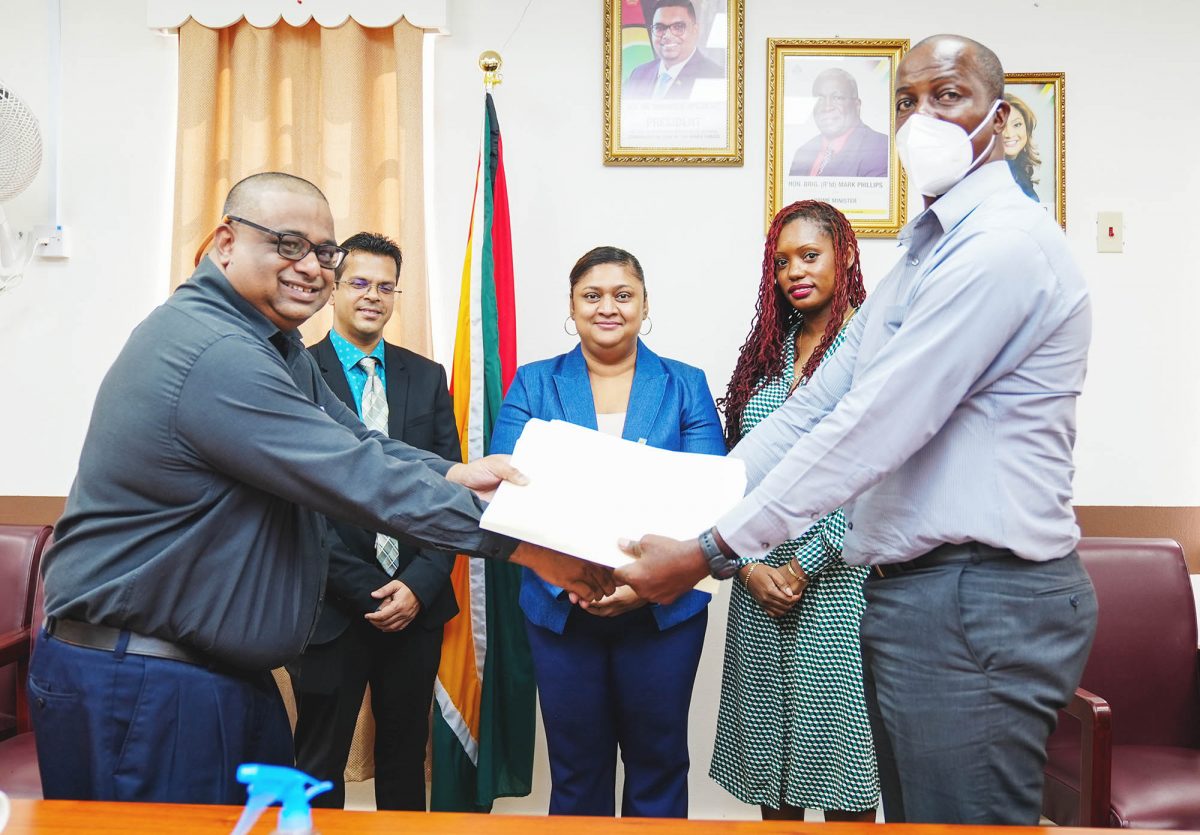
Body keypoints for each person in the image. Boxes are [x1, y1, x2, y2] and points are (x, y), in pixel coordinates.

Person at [614, 34, 1098, 826]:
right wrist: (682, 518)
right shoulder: (922, 256)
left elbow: (874, 426)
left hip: (982, 595)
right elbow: (812, 407)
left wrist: (706, 551)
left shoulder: (1001, 247)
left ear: (1002, 120)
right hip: (918, 596)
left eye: (949, 96)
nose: (923, 119)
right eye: (907, 101)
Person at [29, 172, 614, 805]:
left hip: (211, 677)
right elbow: (352, 475)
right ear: (225, 243)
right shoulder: (219, 351)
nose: (311, 266)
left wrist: (452, 472)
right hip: (145, 679)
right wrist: (529, 547)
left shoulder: (274, 346)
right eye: (287, 243)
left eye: (324, 252)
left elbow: (361, 442)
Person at [489, 246, 725, 817]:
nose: (608, 308)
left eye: (623, 295)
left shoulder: (684, 384)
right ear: (571, 306)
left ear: (645, 305)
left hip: (664, 610)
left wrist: (639, 585)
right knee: (576, 770)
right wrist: (577, 580)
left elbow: (706, 495)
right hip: (560, 606)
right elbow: (505, 486)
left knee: (660, 761)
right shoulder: (534, 382)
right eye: (592, 296)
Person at [709, 201, 877, 824]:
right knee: (774, 785)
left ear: (846, 255)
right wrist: (750, 565)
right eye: (781, 262)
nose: (793, 272)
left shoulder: (873, 347)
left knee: (843, 778)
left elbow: (870, 470)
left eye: (810, 255)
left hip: (837, 589)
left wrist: (803, 564)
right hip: (757, 587)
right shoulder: (765, 357)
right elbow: (740, 471)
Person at [287, 232, 458, 810]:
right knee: (318, 762)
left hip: (417, 601)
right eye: (359, 283)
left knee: (407, 760)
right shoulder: (295, 372)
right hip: (329, 605)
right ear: (333, 288)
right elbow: (297, 500)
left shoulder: (426, 377)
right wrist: (365, 589)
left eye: (386, 286)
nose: (373, 297)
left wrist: (419, 584)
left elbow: (445, 489)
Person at [788, 68, 888, 177]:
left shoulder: (881, 149)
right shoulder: (803, 153)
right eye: (820, 99)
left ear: (857, 105)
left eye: (837, 98)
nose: (826, 107)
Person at [624, 0, 724, 100]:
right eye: (659, 27)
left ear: (695, 31)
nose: (667, 36)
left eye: (678, 27)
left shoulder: (716, 76)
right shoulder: (639, 74)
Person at [1003, 92, 1042, 200]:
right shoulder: (988, 176)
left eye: (1017, 125)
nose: (1009, 134)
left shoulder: (1020, 171)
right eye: (1002, 126)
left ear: (1027, 128)